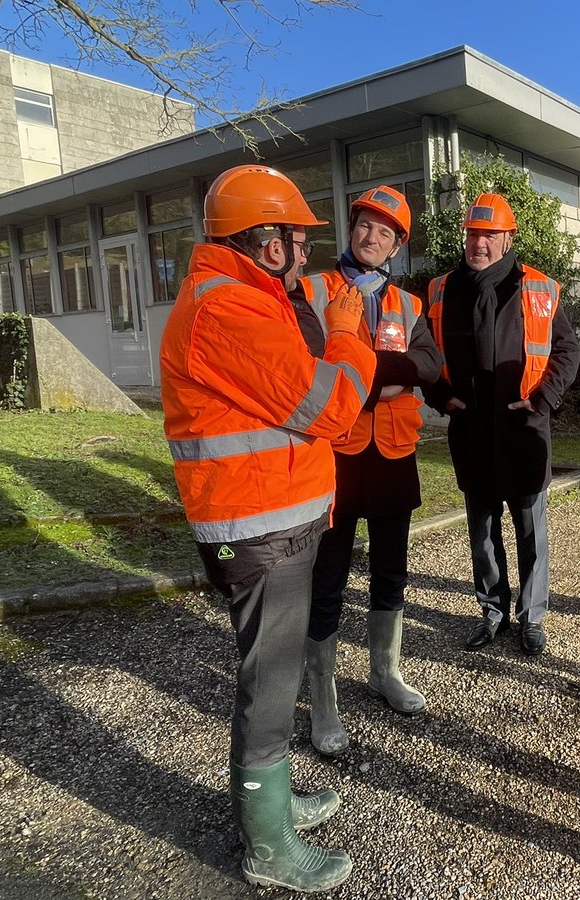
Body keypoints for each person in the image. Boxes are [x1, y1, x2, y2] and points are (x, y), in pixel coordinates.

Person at [160, 164, 376, 893]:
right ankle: (268, 847)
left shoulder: (251, 297)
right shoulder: (228, 310)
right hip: (260, 531)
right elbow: (331, 406)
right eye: (295, 236)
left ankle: (273, 811)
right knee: (271, 684)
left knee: (270, 680)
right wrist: (350, 335)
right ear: (264, 240)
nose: (305, 251)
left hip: (275, 520)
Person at [298, 185, 442, 750]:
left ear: (397, 246)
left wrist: (364, 375)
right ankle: (324, 699)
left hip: (394, 455)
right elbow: (311, 363)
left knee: (390, 571)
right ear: (350, 228)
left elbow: (429, 365)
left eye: (385, 232)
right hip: (334, 455)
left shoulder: (409, 305)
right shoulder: (312, 292)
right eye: (364, 226)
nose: (371, 238)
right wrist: (390, 376)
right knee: (327, 578)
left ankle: (385, 672)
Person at [424, 192, 580, 656]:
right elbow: (425, 354)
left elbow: (567, 350)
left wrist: (542, 400)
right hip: (471, 433)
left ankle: (532, 618)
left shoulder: (537, 288)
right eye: (473, 234)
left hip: (524, 433)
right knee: (482, 533)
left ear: (508, 238)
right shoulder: (441, 289)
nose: (479, 243)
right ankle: (493, 612)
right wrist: (439, 396)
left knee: (531, 532)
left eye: (489, 235)